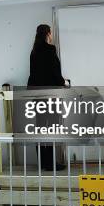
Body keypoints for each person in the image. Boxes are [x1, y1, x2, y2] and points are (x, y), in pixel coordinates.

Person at [27, 24, 66, 171]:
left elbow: (34, 75)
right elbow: (55, 73)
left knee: (41, 129)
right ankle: (50, 163)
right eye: (51, 33)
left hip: (37, 97)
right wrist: (64, 82)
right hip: (50, 96)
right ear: (48, 34)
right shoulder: (50, 50)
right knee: (51, 128)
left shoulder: (33, 52)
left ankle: (43, 163)